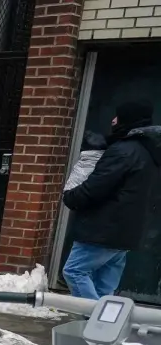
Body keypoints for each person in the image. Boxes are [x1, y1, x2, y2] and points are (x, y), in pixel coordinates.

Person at [61, 100, 161, 301]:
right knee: (104, 288)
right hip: (126, 232)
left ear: (128, 120)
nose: (113, 120)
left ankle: (97, 321)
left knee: (74, 272)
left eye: (118, 116)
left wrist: (71, 197)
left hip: (102, 230)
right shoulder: (149, 151)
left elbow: (95, 188)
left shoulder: (123, 151)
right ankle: (104, 326)